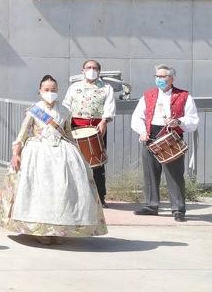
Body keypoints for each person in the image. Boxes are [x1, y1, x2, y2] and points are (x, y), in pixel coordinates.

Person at [0, 74, 107, 243]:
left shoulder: (63, 111)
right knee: (40, 191)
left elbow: (68, 134)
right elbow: (22, 134)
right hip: (38, 152)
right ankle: (39, 230)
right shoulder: (34, 110)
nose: (50, 92)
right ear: (40, 91)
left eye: (53, 90)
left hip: (62, 153)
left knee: (62, 192)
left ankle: (58, 229)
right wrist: (16, 153)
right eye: (47, 90)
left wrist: (80, 151)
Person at [131, 64, 199, 222]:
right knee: (150, 173)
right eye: (157, 76)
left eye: (163, 76)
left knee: (174, 174)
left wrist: (178, 122)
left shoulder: (184, 96)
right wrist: (141, 131)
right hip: (150, 135)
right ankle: (151, 205)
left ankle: (178, 209)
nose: (159, 79)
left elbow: (193, 120)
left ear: (172, 78)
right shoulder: (148, 95)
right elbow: (137, 116)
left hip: (172, 136)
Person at [62, 59, 116, 205]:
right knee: (74, 161)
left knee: (97, 162)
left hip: (96, 129)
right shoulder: (74, 87)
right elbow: (66, 106)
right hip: (75, 128)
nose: (91, 70)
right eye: (88, 67)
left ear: (99, 71)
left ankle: (100, 196)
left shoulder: (106, 88)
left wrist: (104, 122)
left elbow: (109, 107)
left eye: (94, 68)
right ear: (82, 70)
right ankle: (75, 196)